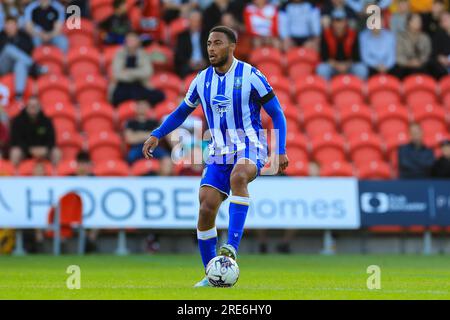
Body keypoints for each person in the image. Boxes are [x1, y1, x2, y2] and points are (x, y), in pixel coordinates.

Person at [142, 26, 288, 287]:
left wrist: (280, 150)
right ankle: (212, 274)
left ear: (231, 46)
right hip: (219, 151)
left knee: (239, 176)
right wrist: (158, 133)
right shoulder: (201, 80)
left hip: (250, 146)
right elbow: (181, 112)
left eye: (217, 43)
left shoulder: (251, 75)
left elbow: (277, 113)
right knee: (206, 205)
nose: (211, 48)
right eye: (209, 43)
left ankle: (230, 247)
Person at [110, 32, 165, 107]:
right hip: (122, 86)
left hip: (140, 85)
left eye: (133, 40)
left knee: (159, 95)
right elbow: (117, 74)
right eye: (129, 40)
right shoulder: (119, 54)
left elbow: (147, 72)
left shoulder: (143, 54)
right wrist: (137, 74)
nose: (131, 43)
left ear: (138, 42)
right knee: (117, 97)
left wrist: (128, 72)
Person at [316, 9, 368, 80]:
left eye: (341, 21)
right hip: (332, 66)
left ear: (345, 22)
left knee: (361, 69)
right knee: (322, 69)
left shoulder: (353, 34)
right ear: (332, 22)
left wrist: (345, 65)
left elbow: (356, 58)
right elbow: (324, 57)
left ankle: (357, 89)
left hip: (348, 66)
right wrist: (337, 66)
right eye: (336, 21)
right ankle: (326, 90)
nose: (339, 24)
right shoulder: (326, 34)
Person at [124, 100, 172, 175]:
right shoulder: (130, 122)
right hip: (137, 148)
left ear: (148, 108)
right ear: (136, 108)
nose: (142, 108)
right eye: (140, 106)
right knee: (128, 161)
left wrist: (138, 135)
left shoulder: (154, 122)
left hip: (153, 148)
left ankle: (162, 182)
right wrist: (150, 135)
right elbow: (130, 139)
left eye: (144, 106)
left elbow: (160, 137)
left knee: (167, 159)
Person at [9, 96, 60, 166]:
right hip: (25, 151)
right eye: (31, 106)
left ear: (39, 107)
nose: (33, 108)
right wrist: (30, 150)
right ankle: (15, 175)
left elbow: (52, 140)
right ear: (26, 107)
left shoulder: (46, 121)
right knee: (15, 153)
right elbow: (16, 140)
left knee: (56, 152)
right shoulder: (18, 121)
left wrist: (45, 149)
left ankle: (55, 175)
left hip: (43, 151)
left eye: (35, 106)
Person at [0, 16, 38, 102]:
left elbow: (30, 50)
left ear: (16, 25)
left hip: (19, 66)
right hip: (3, 67)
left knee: (20, 63)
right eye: (8, 25)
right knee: (9, 49)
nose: (9, 27)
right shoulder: (1, 36)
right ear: (4, 26)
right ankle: (34, 65)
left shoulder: (24, 36)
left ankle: (19, 94)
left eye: (12, 25)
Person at [396, 13, 432, 78]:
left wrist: (419, 62)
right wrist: (408, 63)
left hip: (421, 64)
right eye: (416, 21)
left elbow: (427, 53)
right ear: (408, 23)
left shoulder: (424, 37)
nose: (419, 23)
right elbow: (398, 55)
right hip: (406, 66)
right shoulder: (401, 37)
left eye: (420, 21)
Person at [174, 10, 208, 78]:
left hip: (204, 64)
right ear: (189, 22)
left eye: (198, 21)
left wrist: (205, 61)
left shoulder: (207, 35)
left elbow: (212, 52)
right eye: (193, 21)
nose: (196, 24)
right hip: (188, 65)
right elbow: (179, 55)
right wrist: (189, 62)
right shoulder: (182, 36)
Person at [430, 11, 450, 79]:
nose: (445, 21)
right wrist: (440, 58)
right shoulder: (438, 35)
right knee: (432, 64)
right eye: (443, 20)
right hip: (442, 64)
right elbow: (434, 52)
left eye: (447, 18)